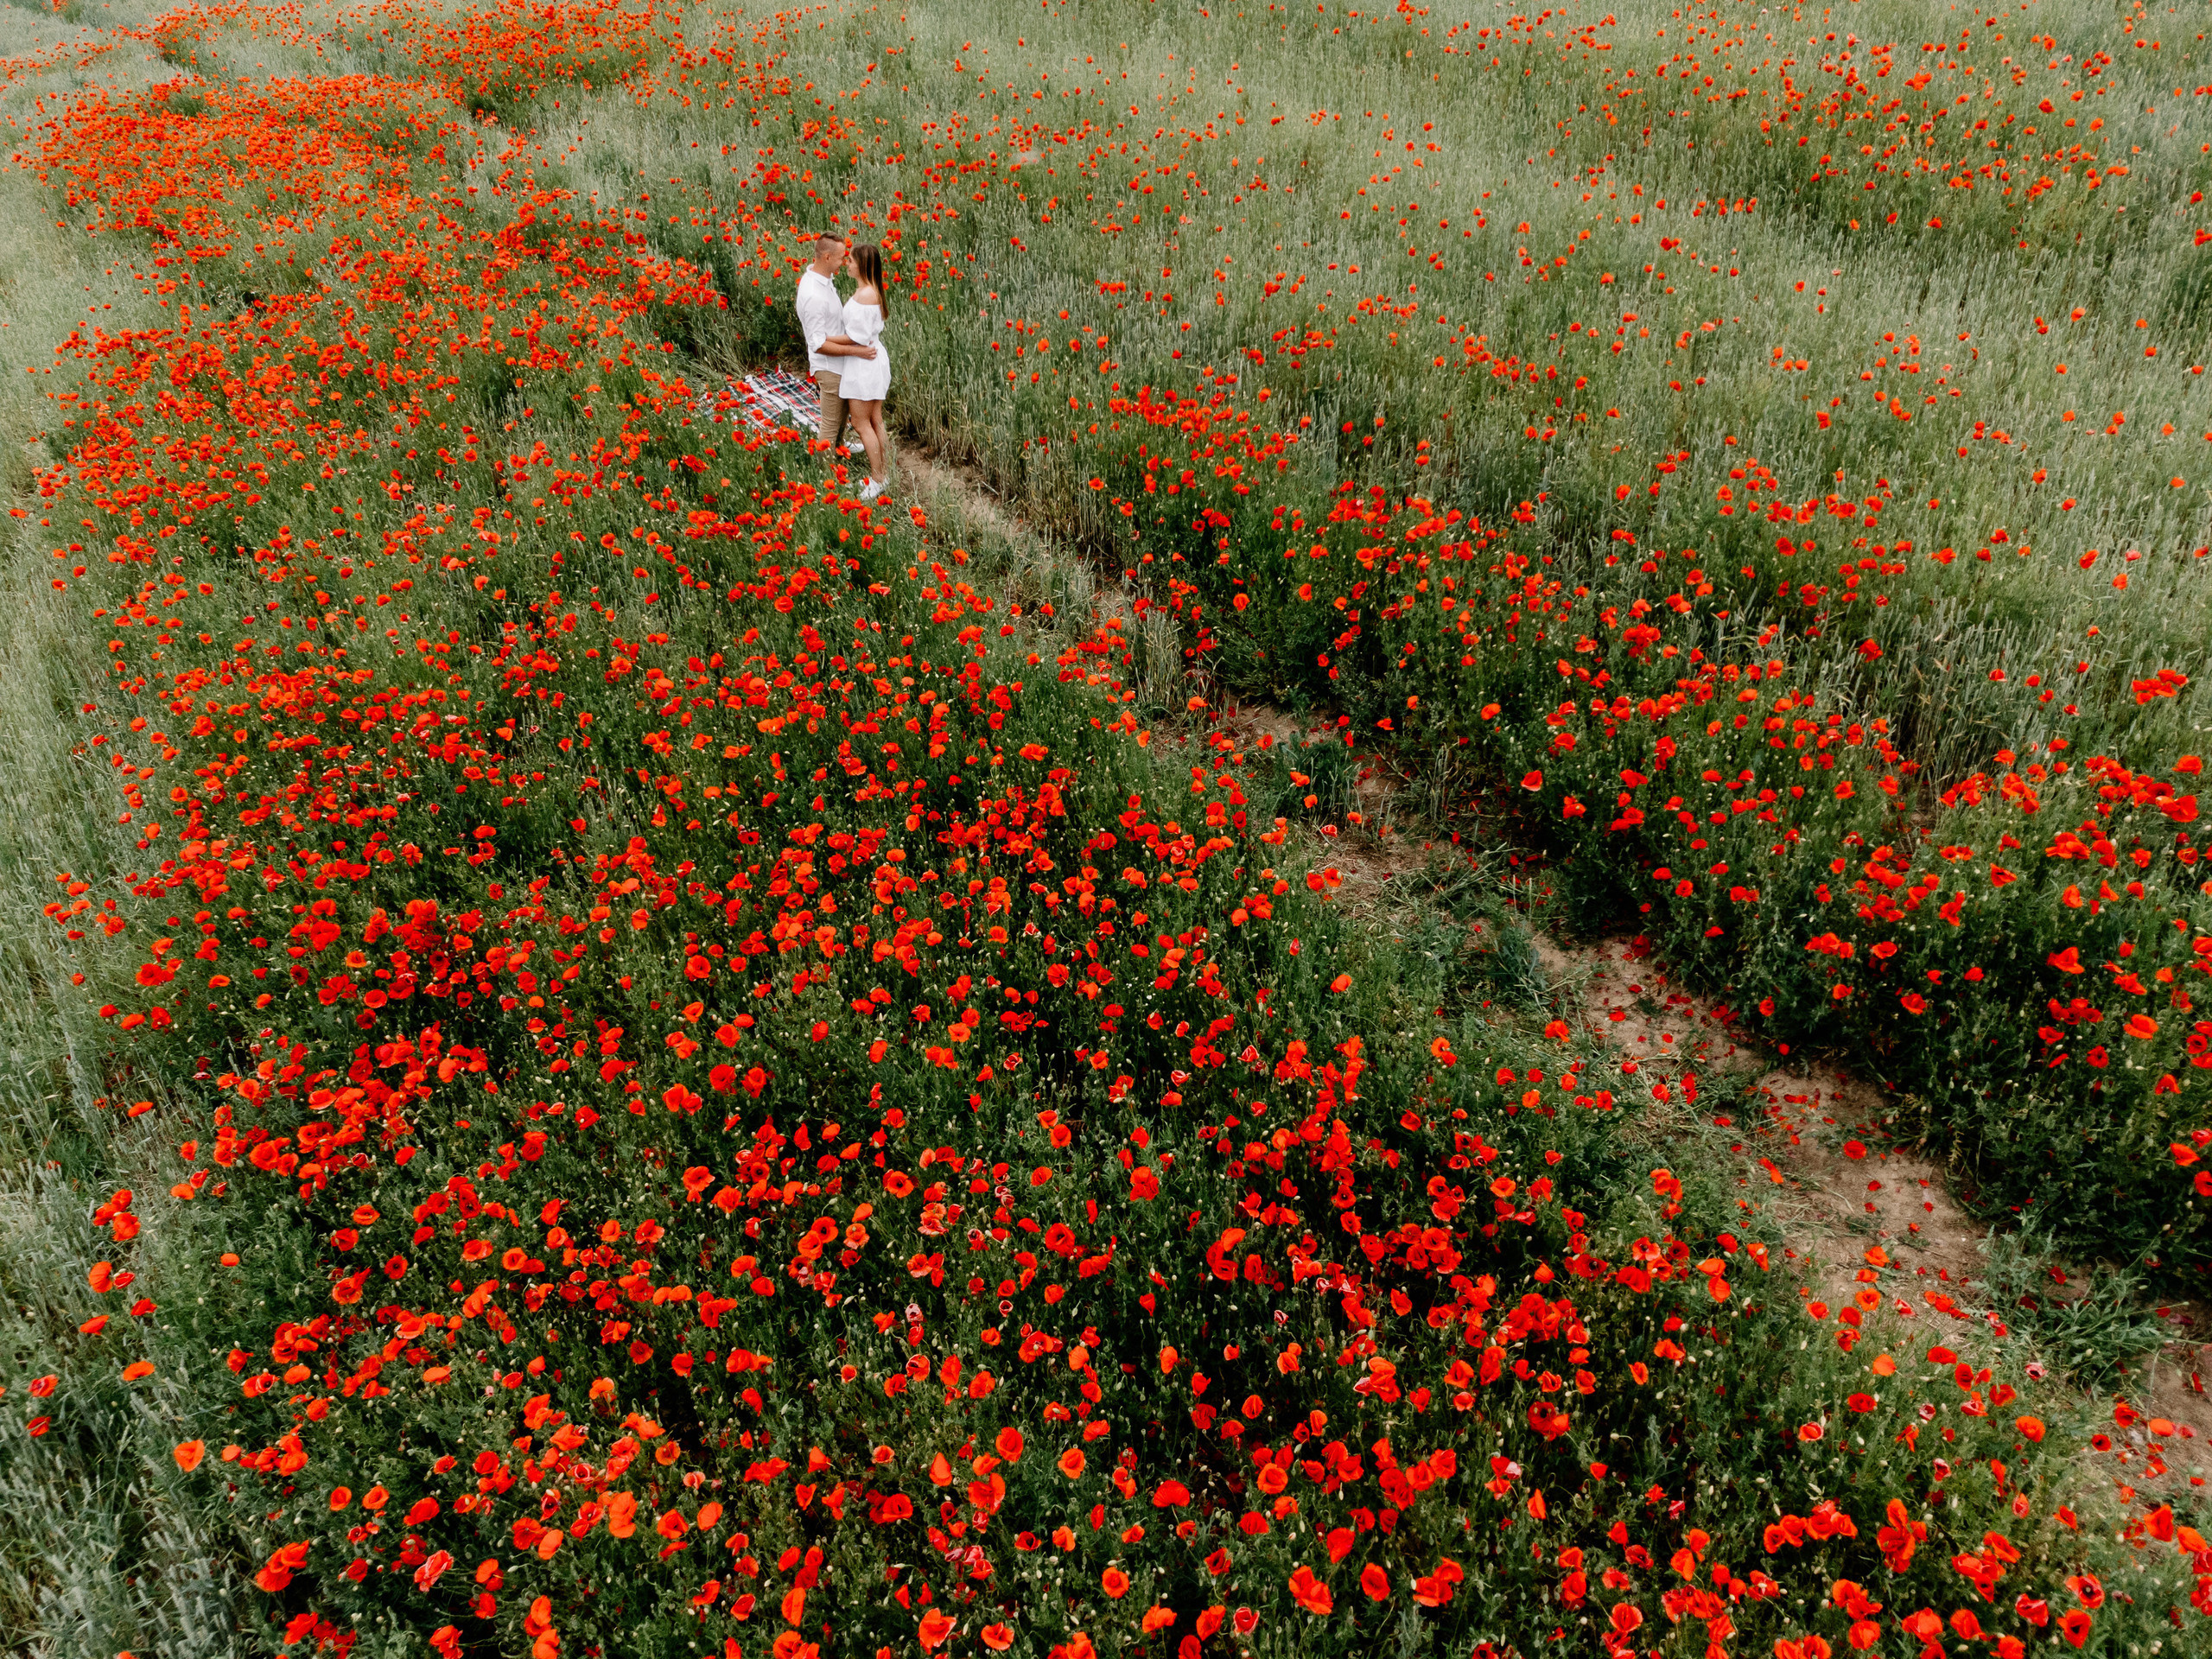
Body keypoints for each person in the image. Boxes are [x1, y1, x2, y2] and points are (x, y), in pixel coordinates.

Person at [791, 232, 877, 456]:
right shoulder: (813, 295)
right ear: (827, 257)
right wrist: (856, 351)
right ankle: (826, 474)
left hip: (840, 361)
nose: (845, 262)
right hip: (829, 366)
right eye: (842, 258)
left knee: (840, 420)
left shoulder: (823, 279)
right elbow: (818, 344)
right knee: (830, 425)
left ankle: (839, 451)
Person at [821, 242, 891, 500]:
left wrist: (826, 339)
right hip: (872, 359)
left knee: (862, 423)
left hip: (864, 364)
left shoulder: (865, 296)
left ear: (861, 264)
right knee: (875, 420)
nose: (846, 264)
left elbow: (855, 338)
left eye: (850, 260)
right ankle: (884, 472)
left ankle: (878, 479)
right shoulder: (871, 290)